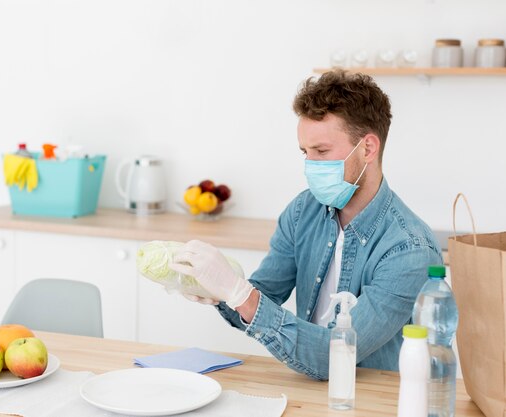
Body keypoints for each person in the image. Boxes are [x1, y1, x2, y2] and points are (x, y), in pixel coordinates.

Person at [169, 70, 442, 381]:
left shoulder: (409, 250)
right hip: (309, 388)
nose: (311, 165)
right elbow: (264, 297)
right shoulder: (303, 211)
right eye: (305, 152)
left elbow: (335, 357)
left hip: (374, 400)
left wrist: (239, 293)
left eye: (322, 152)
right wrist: (217, 288)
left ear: (368, 148)